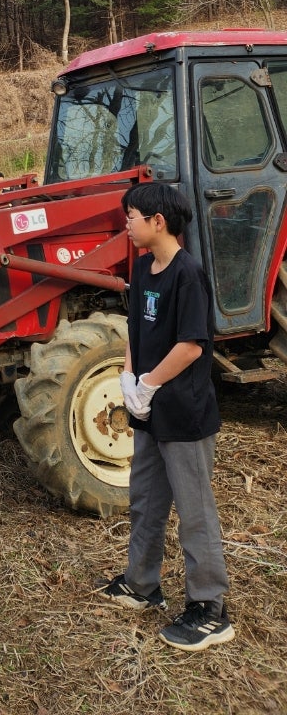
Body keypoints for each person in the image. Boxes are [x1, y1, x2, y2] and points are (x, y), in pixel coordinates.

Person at [96, 181, 234, 652]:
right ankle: (142, 583)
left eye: (132, 216)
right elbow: (136, 330)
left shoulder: (187, 273)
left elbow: (192, 344)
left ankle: (211, 606)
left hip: (183, 413)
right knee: (146, 498)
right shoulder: (142, 269)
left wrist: (151, 384)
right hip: (148, 410)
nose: (126, 224)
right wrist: (131, 377)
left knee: (194, 511)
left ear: (159, 221)